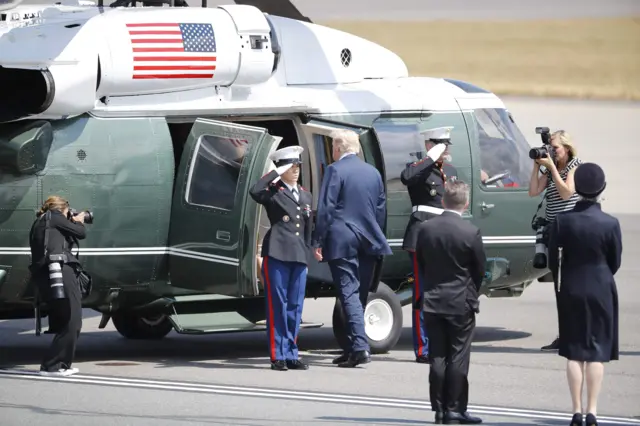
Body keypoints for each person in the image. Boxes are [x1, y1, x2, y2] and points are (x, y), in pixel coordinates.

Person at [547, 163, 622, 426]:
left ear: (576, 188)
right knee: (596, 352)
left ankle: (576, 411)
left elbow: (551, 257)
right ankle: (592, 411)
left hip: (571, 285)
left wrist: (563, 277)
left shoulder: (562, 221)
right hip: (601, 286)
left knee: (574, 351)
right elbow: (615, 261)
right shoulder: (610, 223)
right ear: (601, 189)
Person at [312, 129, 392, 368]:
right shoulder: (373, 172)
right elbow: (380, 210)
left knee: (348, 293)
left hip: (342, 238)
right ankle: (350, 347)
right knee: (358, 295)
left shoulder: (335, 170)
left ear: (337, 148)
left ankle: (358, 347)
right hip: (369, 239)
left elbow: (326, 208)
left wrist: (318, 240)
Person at [415, 180, 485, 425]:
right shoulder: (470, 232)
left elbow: (421, 263)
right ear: (465, 204)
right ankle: (455, 409)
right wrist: (470, 291)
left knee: (437, 356)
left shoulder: (425, 229)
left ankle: (439, 408)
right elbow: (479, 269)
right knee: (458, 357)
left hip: (433, 300)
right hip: (460, 302)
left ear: (443, 201)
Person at [249, 145, 313, 371]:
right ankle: (278, 355)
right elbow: (255, 191)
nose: (295, 170)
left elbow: (308, 228)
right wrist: (276, 171)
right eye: (291, 166)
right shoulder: (274, 192)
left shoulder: (305, 195)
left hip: (298, 255)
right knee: (278, 305)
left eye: (297, 166)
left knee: (295, 307)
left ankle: (292, 353)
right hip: (276, 253)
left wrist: (310, 250)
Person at [400, 126, 458, 364]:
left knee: (444, 294)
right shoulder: (419, 169)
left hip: (445, 236)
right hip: (422, 236)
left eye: (447, 144)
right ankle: (423, 348)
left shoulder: (451, 171)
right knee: (423, 295)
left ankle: (441, 344)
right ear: (429, 145)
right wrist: (431, 158)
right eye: (440, 144)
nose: (445, 149)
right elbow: (407, 178)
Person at [528, 129, 582, 352]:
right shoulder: (551, 168)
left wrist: (551, 168)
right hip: (553, 231)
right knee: (559, 287)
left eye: (556, 148)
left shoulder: (575, 165)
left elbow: (567, 192)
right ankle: (565, 335)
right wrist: (536, 166)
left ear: (567, 149)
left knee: (571, 286)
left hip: (569, 232)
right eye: (550, 147)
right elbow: (533, 191)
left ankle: (575, 335)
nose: (552, 151)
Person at [28, 195, 87, 377]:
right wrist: (79, 220)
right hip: (61, 270)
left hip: (47, 274)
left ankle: (58, 364)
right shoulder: (54, 217)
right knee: (73, 319)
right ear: (62, 209)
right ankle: (53, 365)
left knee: (65, 319)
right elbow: (81, 233)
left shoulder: (41, 221)